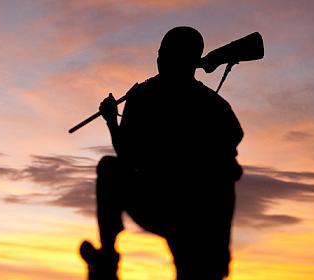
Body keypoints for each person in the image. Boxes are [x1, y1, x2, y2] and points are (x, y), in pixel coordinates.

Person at [80, 26, 243, 280]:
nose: (159, 59)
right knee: (110, 168)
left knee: (110, 168)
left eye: (165, 54)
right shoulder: (213, 104)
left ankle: (107, 259)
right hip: (180, 208)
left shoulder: (144, 95)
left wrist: (112, 121)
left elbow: (127, 154)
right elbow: (233, 140)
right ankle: (108, 259)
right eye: (160, 53)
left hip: (182, 210)